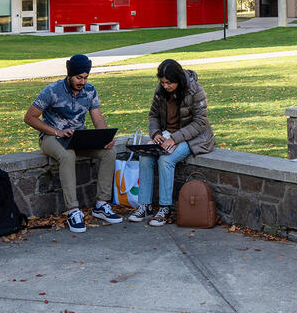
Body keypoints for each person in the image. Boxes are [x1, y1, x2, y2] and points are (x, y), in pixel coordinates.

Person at [24, 53, 123, 233]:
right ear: (69, 75)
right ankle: (73, 211)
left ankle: (101, 205)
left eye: (85, 77)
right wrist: (57, 131)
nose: (82, 82)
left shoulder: (90, 91)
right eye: (79, 77)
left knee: (109, 152)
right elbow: (29, 117)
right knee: (67, 155)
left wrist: (106, 137)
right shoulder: (52, 91)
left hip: (79, 137)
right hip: (51, 137)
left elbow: (98, 119)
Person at [128, 59, 214, 227]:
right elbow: (153, 115)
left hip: (193, 138)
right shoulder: (160, 91)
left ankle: (164, 208)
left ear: (178, 80)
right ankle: (144, 205)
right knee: (145, 157)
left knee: (166, 160)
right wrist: (156, 133)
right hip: (166, 134)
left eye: (169, 83)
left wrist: (175, 139)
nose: (166, 86)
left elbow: (199, 123)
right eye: (163, 82)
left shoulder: (196, 91)